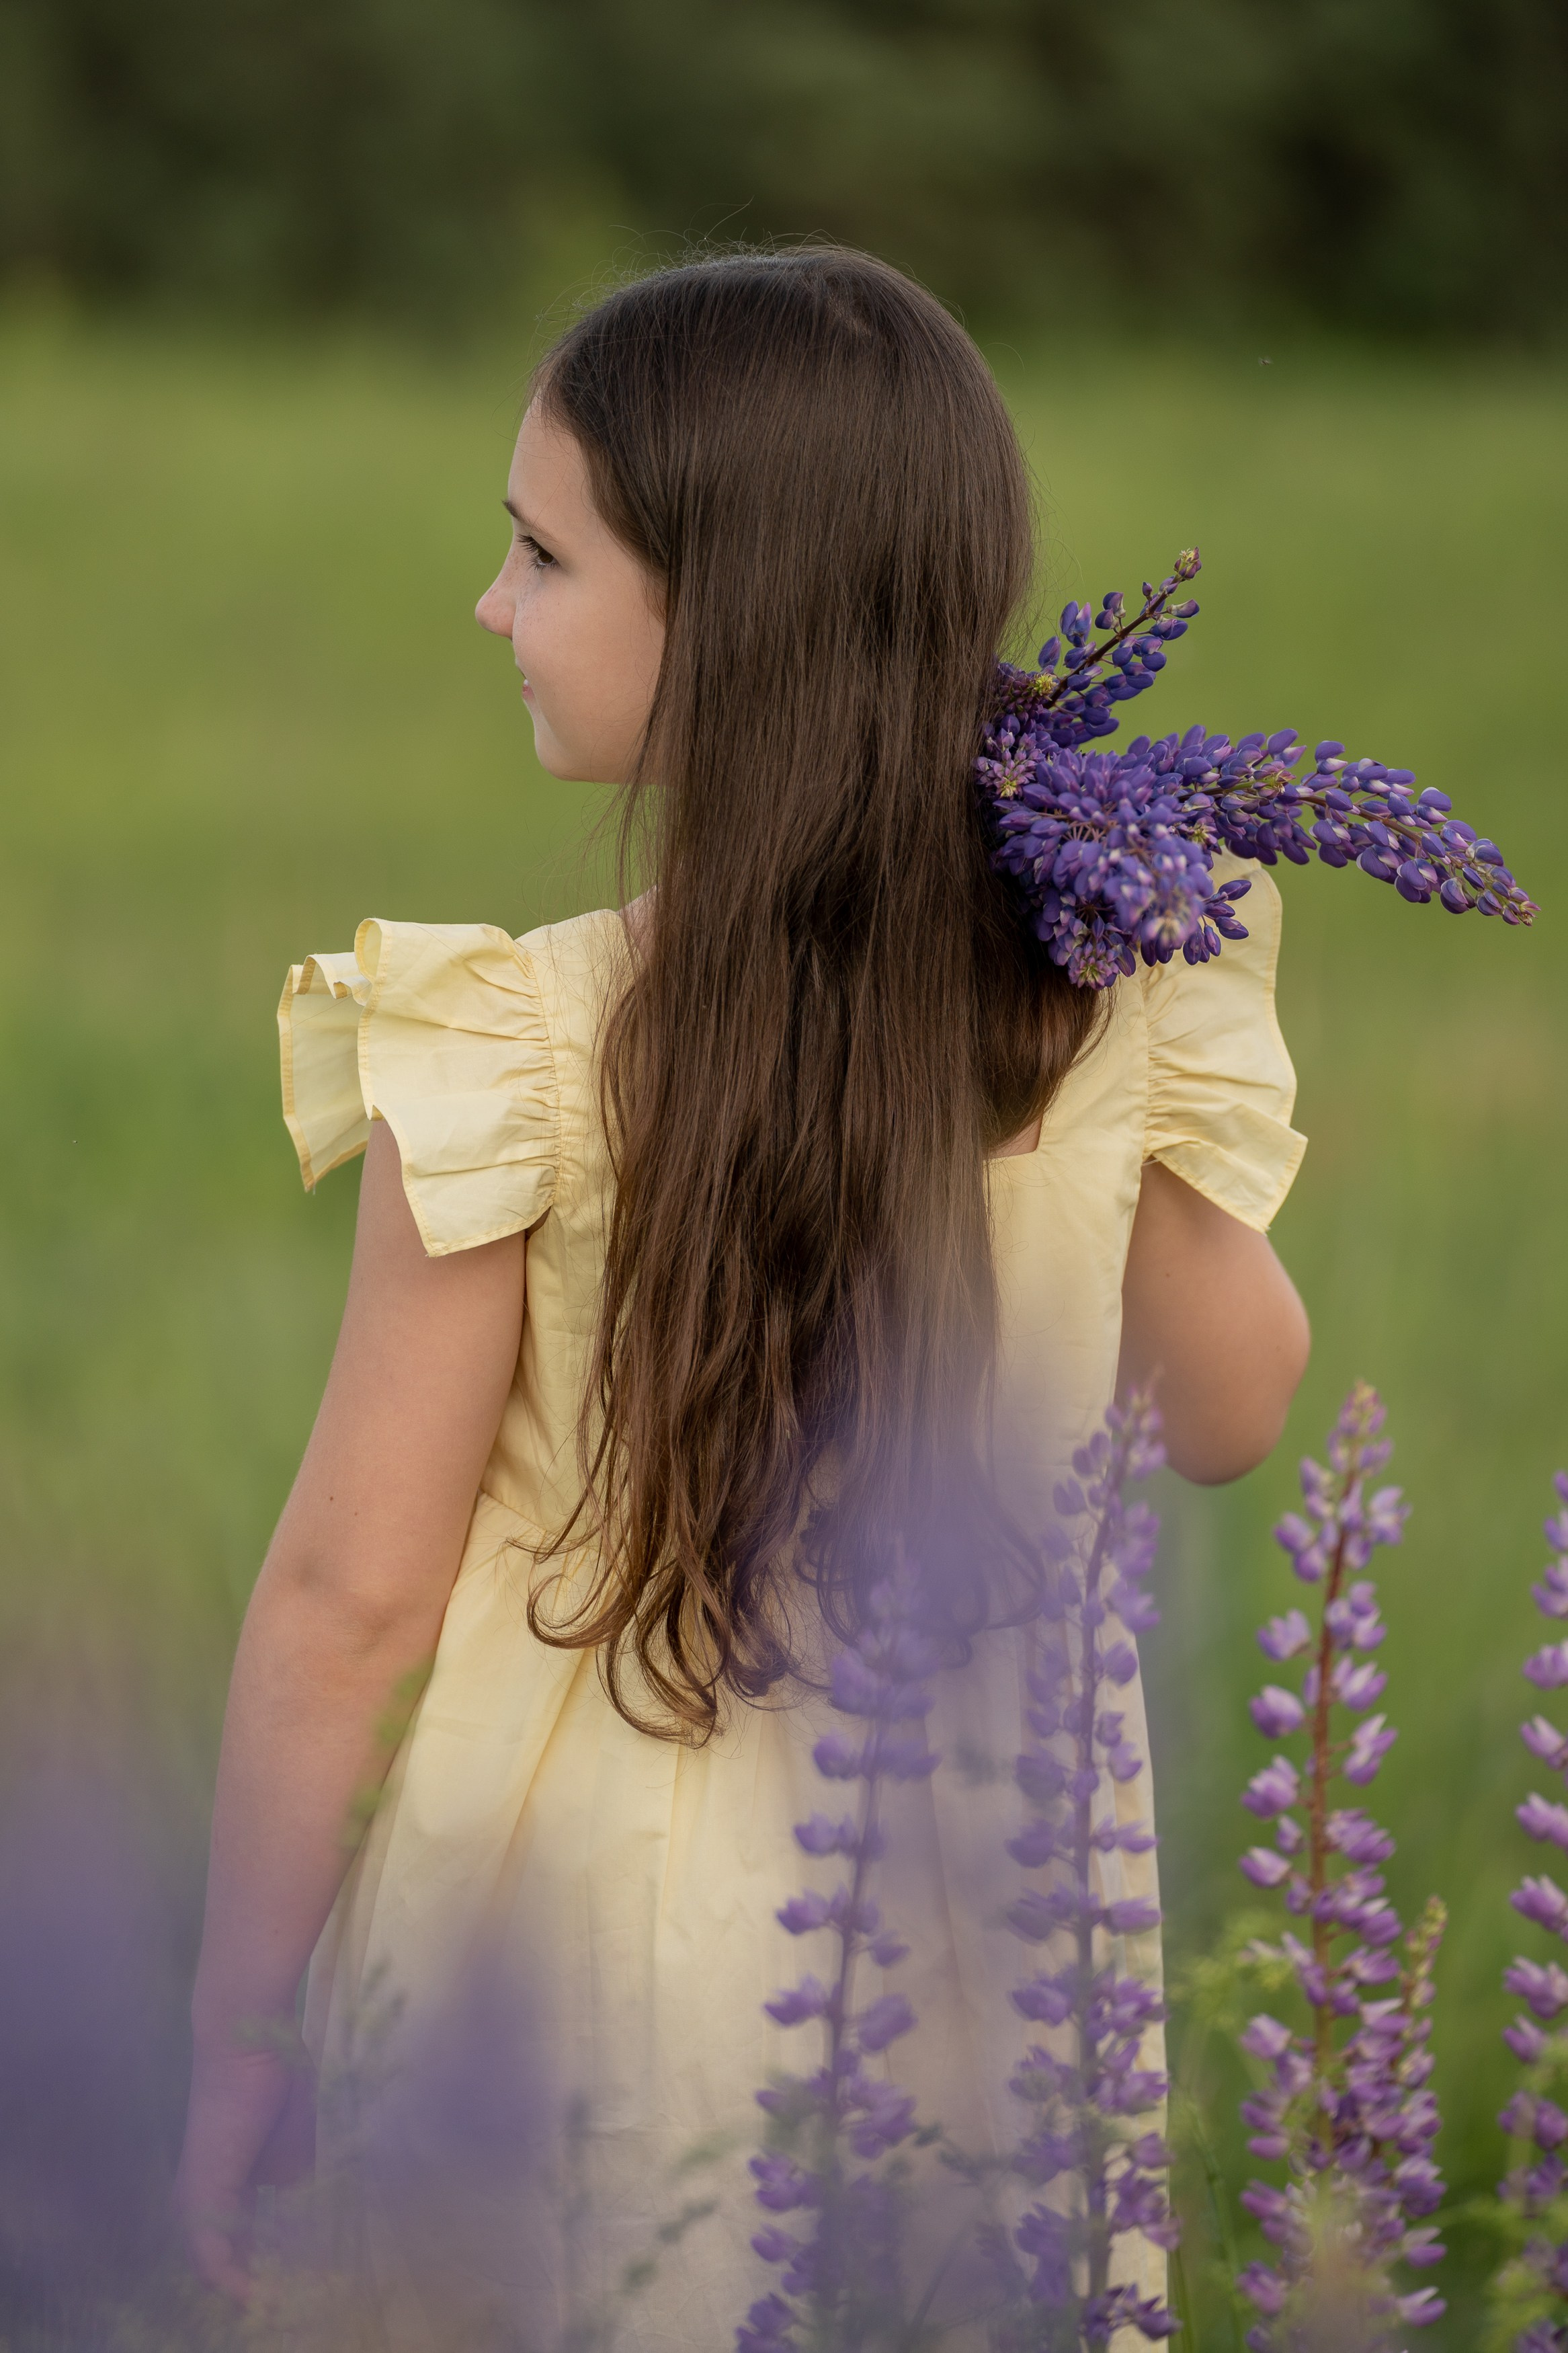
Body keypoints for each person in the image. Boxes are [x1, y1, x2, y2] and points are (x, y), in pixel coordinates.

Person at [174, 247, 1310, 2344]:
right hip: (981, 1917)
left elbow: (349, 1598)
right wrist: (1111, 1013)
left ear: (727, 624)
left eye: (540, 554)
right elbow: (1237, 1408)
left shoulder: (521, 1047)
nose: (491, 607)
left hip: (551, 1943)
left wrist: (244, 2035)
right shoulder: (1101, 996)